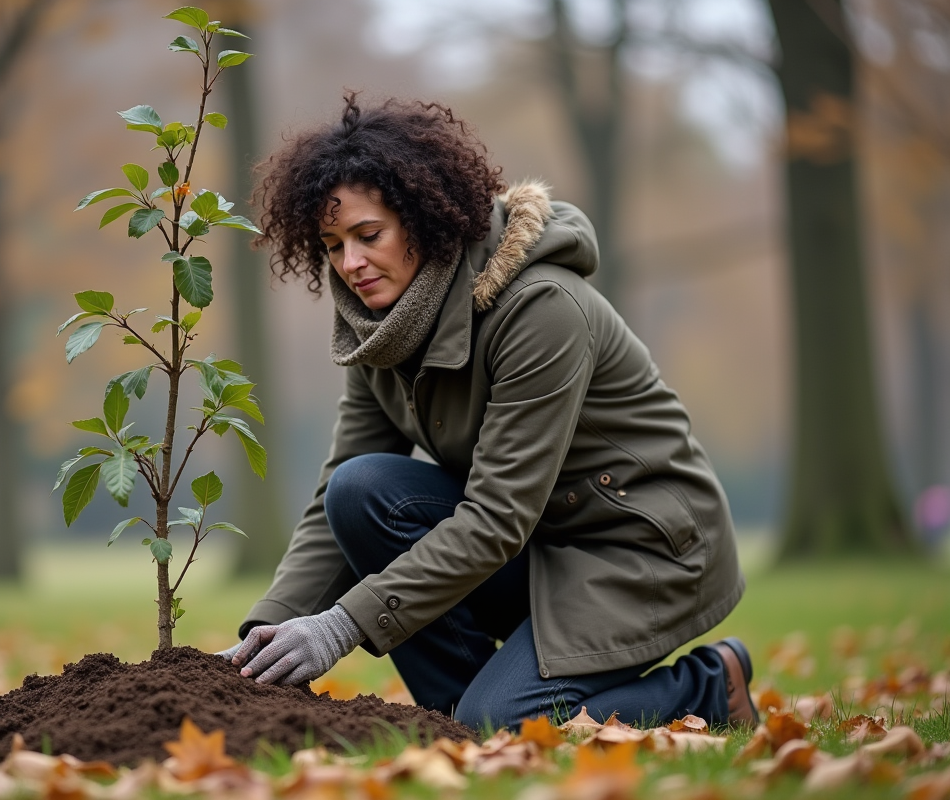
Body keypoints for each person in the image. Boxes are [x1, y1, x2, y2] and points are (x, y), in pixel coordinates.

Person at [218, 94, 757, 731]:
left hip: (641, 550)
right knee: (359, 490)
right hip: (539, 544)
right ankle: (460, 718)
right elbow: (336, 493)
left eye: (369, 236)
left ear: (424, 220)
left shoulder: (541, 308)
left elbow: (497, 515)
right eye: (332, 245)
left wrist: (343, 625)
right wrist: (265, 635)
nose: (351, 264)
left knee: (505, 723)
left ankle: (707, 685)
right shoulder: (379, 326)